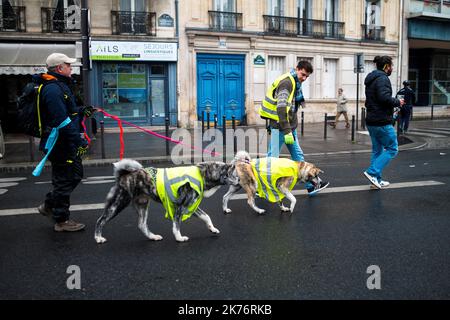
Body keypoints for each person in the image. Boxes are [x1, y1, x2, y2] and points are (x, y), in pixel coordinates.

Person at [36, 53, 95, 231]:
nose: (71, 67)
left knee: (73, 176)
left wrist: (82, 111)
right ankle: (61, 220)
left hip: (66, 143)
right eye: (68, 65)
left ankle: (49, 205)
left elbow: (68, 111)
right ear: (59, 68)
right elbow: (61, 120)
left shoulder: (59, 86)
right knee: (65, 179)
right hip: (60, 144)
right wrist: (78, 140)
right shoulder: (52, 90)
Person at [260, 60, 329, 195]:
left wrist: (290, 129)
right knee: (272, 160)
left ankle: (311, 185)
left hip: (289, 127)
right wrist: (286, 131)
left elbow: (289, 108)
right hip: (281, 128)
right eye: (303, 74)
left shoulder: (295, 83)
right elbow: (280, 107)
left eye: (307, 77)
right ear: (297, 69)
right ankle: (262, 187)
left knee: (298, 156)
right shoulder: (287, 83)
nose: (304, 78)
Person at [363, 55, 405, 189]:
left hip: (371, 120)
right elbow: (383, 97)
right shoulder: (382, 78)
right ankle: (372, 172)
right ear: (386, 67)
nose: (392, 68)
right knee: (393, 148)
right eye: (391, 66)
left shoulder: (371, 79)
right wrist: (398, 101)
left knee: (377, 150)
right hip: (381, 121)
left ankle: (376, 180)